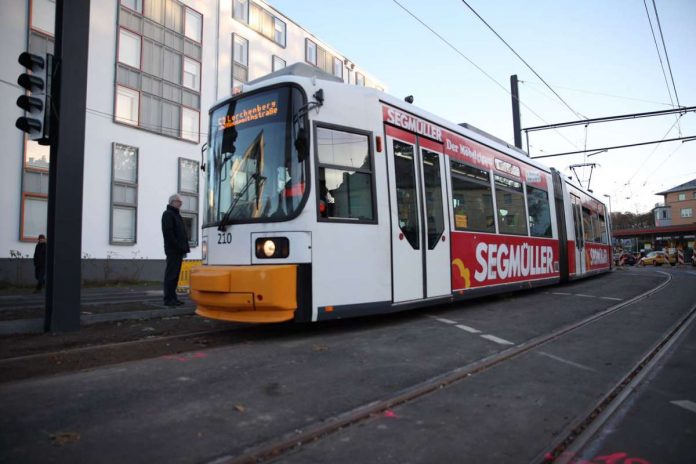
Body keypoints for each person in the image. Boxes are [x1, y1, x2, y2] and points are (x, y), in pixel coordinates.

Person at [161, 194, 190, 306]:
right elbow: (169, 233)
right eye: (179, 201)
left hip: (178, 250)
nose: (181, 204)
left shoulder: (176, 215)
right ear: (173, 202)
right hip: (173, 250)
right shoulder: (168, 214)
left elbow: (181, 233)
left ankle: (173, 298)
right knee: (171, 275)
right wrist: (178, 246)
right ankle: (168, 299)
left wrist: (184, 248)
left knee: (175, 276)